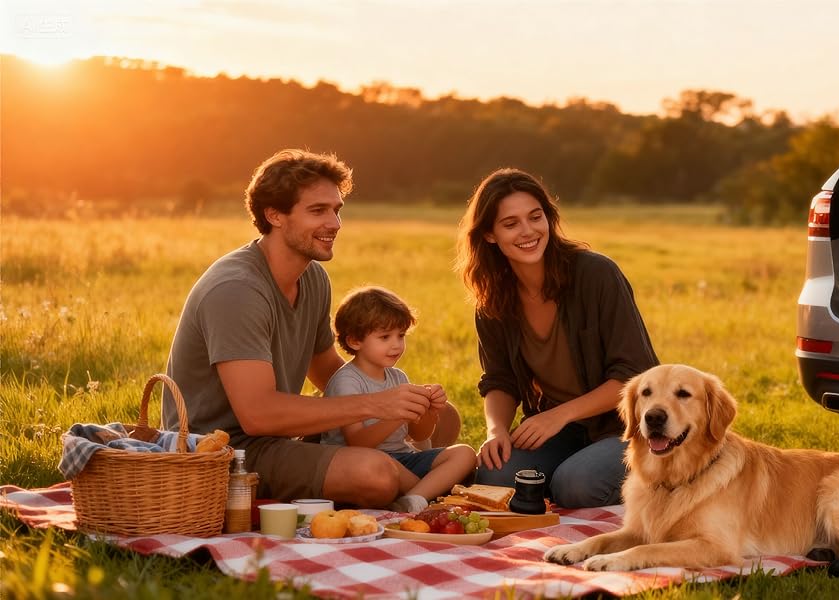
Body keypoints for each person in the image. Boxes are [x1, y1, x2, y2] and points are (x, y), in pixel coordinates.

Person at [162, 149, 462, 507]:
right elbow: (258, 415)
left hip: (278, 437)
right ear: (274, 215)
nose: (335, 224)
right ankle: (433, 491)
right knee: (374, 474)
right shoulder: (237, 289)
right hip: (226, 450)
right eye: (318, 211)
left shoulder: (313, 278)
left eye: (336, 210)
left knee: (444, 417)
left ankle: (423, 484)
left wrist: (404, 399)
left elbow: (328, 372)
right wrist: (374, 405)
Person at [457, 168, 657, 508]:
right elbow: (499, 380)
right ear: (490, 235)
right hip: (561, 431)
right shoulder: (493, 301)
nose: (528, 231)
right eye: (511, 223)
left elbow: (634, 376)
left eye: (536, 217)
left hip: (625, 426)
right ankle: (568, 470)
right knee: (495, 476)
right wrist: (497, 431)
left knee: (574, 485)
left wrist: (558, 415)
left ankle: (663, 476)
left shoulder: (596, 275)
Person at [320, 286, 478, 514]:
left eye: (401, 335)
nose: (396, 345)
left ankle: (414, 499)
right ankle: (432, 496)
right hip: (362, 464)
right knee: (387, 466)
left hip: (403, 457)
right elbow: (358, 443)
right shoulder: (347, 381)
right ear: (355, 341)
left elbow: (419, 435)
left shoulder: (398, 377)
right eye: (385, 337)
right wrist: (396, 414)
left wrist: (428, 410)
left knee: (464, 454)